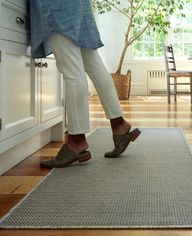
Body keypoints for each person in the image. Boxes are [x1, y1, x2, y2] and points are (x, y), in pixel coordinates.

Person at [29, 0, 141, 168]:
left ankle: (76, 140)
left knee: (72, 71)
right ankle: (119, 125)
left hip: (57, 5)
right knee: (93, 63)